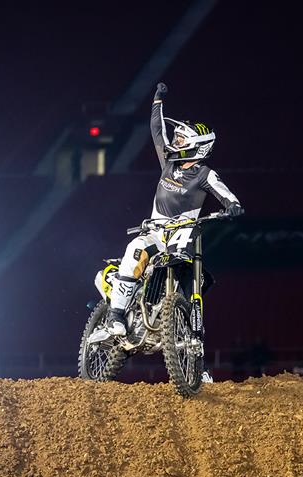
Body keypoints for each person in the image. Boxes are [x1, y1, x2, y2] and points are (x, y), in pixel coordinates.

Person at [106, 83, 244, 364]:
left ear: (198, 145)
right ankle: (116, 315)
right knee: (135, 250)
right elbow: (158, 133)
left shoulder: (205, 173)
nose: (175, 142)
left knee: (196, 290)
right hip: (157, 231)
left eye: (181, 139)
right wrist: (157, 102)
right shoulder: (168, 163)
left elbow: (226, 193)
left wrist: (233, 206)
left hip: (183, 236)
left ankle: (194, 360)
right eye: (177, 138)